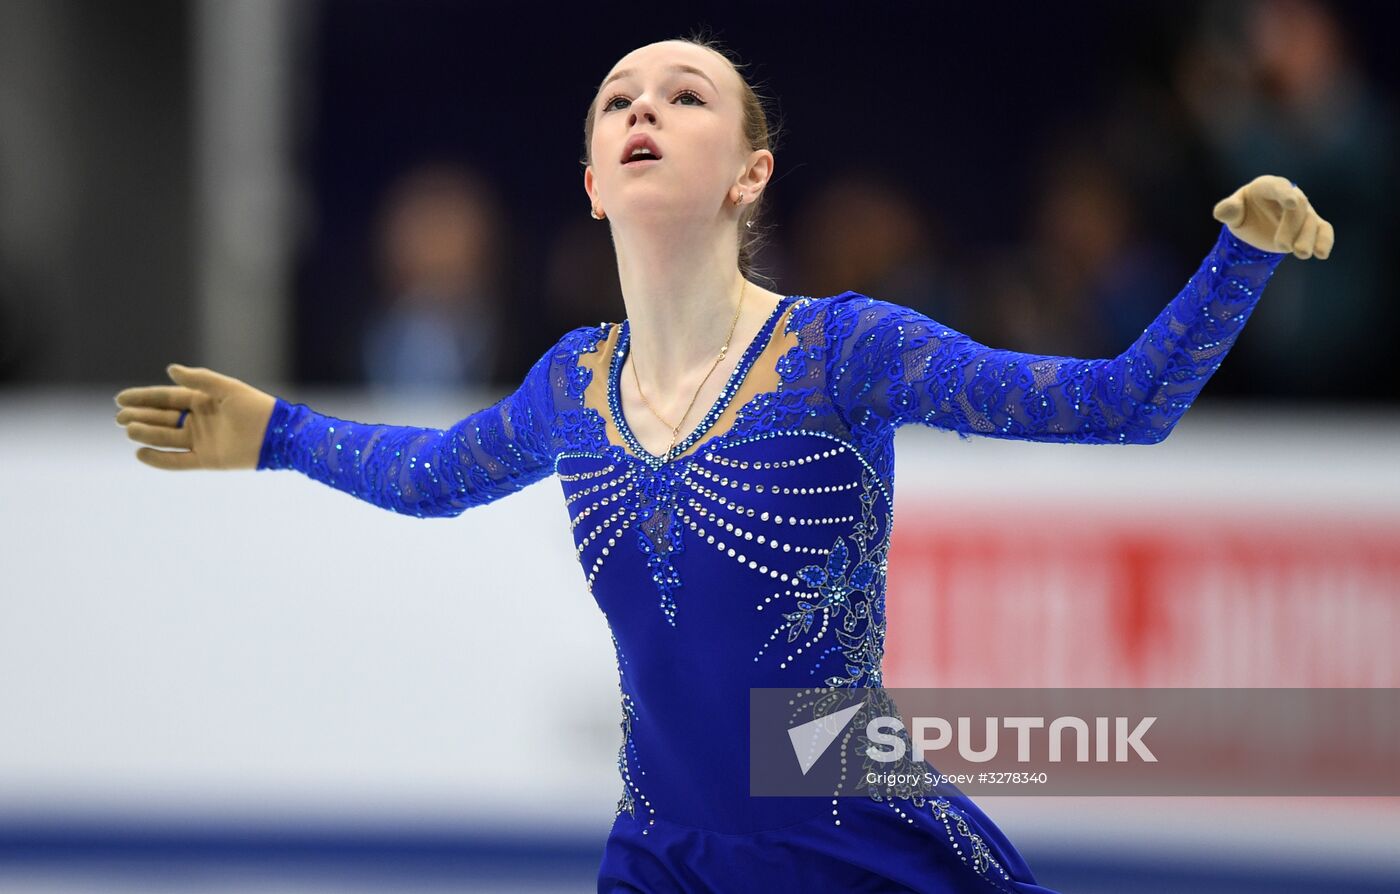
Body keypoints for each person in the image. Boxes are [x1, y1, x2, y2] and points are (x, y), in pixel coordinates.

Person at [115, 36, 1333, 894]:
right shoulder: (570, 382)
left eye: (684, 96)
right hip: (663, 848)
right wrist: (276, 437)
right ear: (593, 184)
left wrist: (1237, 262)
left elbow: (1119, 406)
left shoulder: (844, 347)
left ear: (749, 173)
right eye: (617, 99)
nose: (643, 108)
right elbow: (436, 472)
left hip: (856, 825)